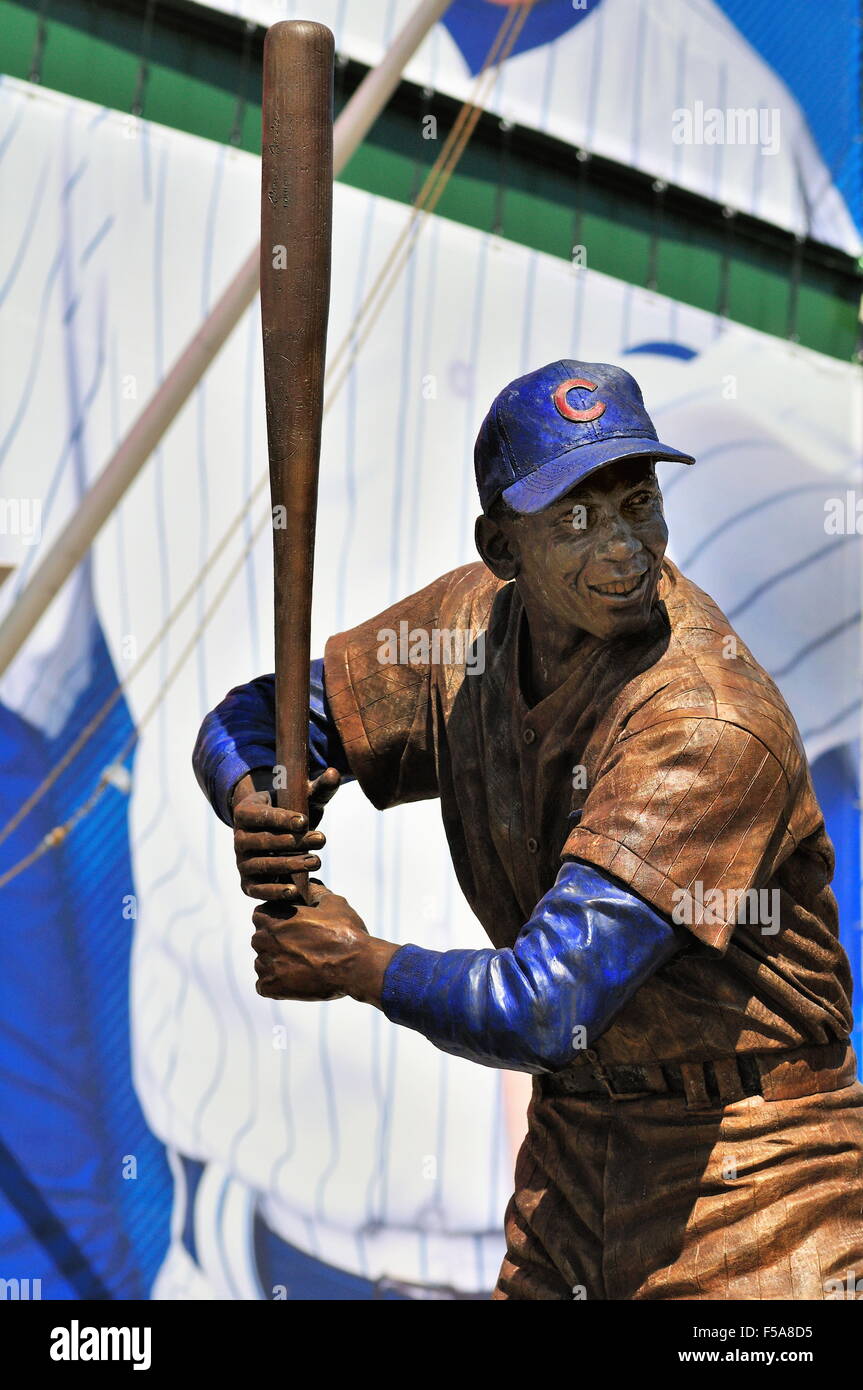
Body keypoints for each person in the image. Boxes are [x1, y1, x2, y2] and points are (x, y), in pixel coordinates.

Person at [194, 359, 863, 1300]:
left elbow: (547, 1006)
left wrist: (353, 962)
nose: (625, 546)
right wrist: (259, 795)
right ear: (501, 549)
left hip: (756, 1183)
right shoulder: (466, 628)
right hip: (574, 1158)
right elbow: (262, 715)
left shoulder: (703, 721)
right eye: (577, 520)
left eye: (637, 502)